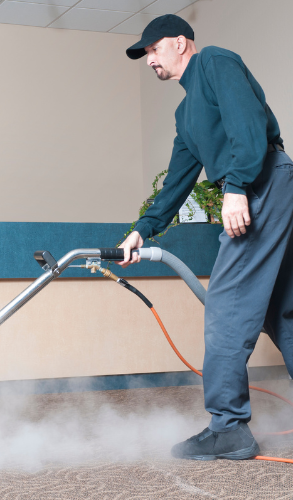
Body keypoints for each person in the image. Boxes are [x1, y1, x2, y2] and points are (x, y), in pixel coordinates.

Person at [119, 14, 293, 461]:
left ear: (181, 43)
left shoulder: (215, 63)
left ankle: (228, 428)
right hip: (265, 185)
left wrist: (236, 188)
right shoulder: (186, 112)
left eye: (153, 49)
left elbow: (249, 123)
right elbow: (177, 180)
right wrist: (144, 228)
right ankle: (228, 424)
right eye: (145, 55)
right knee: (283, 310)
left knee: (226, 305)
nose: (148, 60)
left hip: (264, 183)